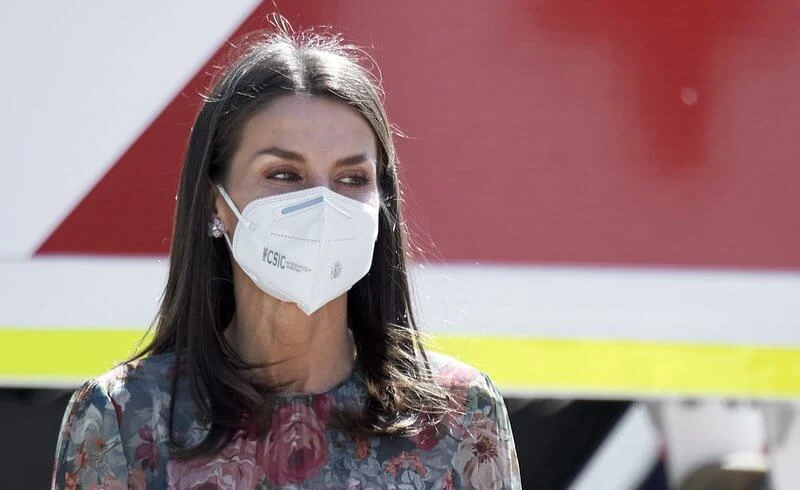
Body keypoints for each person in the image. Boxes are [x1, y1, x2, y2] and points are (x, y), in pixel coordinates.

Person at [52, 20, 520, 490]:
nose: (321, 205)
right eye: (283, 174)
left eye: (352, 179)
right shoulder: (124, 418)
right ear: (216, 203)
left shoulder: (461, 417)